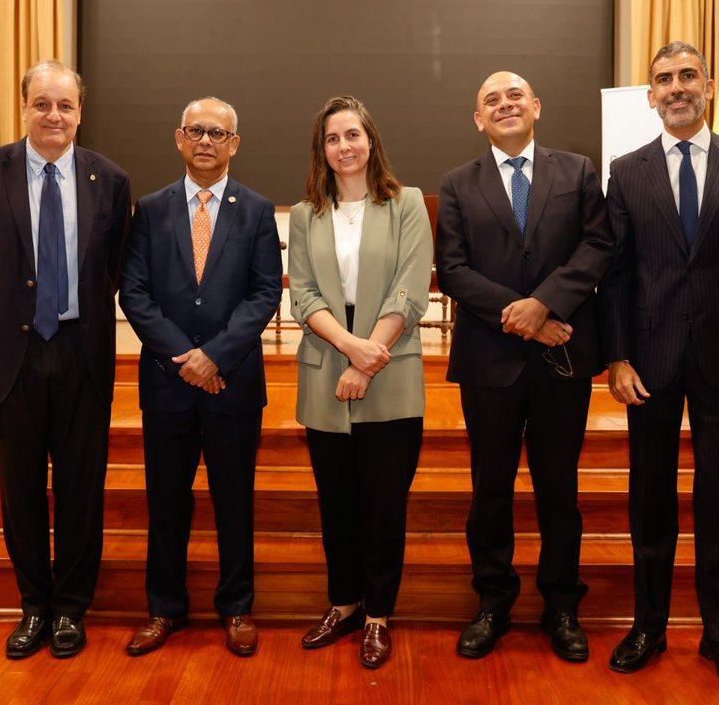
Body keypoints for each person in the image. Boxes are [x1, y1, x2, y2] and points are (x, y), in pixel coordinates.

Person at [599, 41, 719, 692]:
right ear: (649, 94)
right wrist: (616, 355)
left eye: (686, 76)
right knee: (649, 497)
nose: (675, 87)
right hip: (647, 361)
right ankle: (649, 624)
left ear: (707, 85)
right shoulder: (625, 172)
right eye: (662, 79)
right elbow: (616, 276)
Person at [0, 59, 132, 659]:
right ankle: (34, 606)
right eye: (43, 103)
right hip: (10, 356)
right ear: (23, 106)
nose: (54, 115)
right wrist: (0, 308)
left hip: (81, 353)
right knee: (19, 490)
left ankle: (72, 609)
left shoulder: (110, 179)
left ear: (81, 111)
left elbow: (115, 265)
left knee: (82, 488)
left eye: (66, 106)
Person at [435, 71, 613, 661]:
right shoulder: (458, 184)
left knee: (558, 489)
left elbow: (597, 245)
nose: (504, 105)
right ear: (477, 118)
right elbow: (454, 270)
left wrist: (546, 303)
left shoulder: (578, 170)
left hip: (562, 358)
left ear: (536, 105)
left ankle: (562, 605)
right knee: (490, 490)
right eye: (491, 100)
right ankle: (493, 602)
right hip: (489, 360)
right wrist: (524, 317)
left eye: (515, 96)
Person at [119, 96, 282, 658]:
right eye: (196, 131)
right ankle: (164, 607)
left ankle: (236, 607)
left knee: (234, 498)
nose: (206, 141)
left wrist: (214, 356)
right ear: (179, 138)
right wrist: (183, 358)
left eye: (218, 132)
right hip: (167, 385)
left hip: (232, 382)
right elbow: (134, 293)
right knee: (166, 499)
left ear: (235, 143)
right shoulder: (152, 207)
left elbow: (264, 294)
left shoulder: (257, 210)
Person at [287, 96, 433, 669]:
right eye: (332, 138)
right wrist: (349, 350)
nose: (343, 146)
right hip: (327, 370)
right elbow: (303, 295)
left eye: (353, 134)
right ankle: (343, 603)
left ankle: (378, 614)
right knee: (337, 503)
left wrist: (369, 355)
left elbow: (411, 289)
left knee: (383, 504)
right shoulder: (306, 214)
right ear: (320, 149)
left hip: (391, 367)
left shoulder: (408, 204)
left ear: (371, 140)